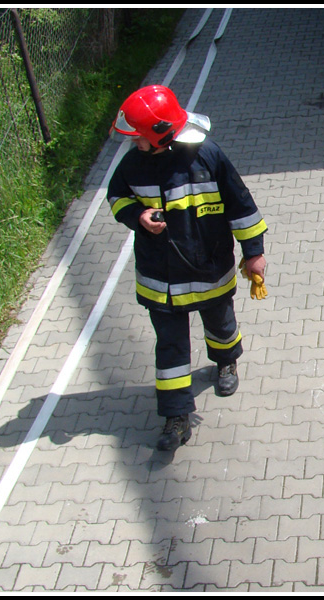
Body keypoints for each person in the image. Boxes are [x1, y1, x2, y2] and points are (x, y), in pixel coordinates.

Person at [107, 84, 267, 451]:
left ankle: (226, 362)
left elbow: (242, 204)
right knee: (171, 347)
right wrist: (138, 215)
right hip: (160, 278)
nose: (135, 145)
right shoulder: (133, 165)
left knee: (221, 325)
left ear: (160, 133)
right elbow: (116, 196)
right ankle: (176, 416)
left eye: (140, 138)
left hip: (209, 268)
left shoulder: (208, 156)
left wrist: (254, 253)